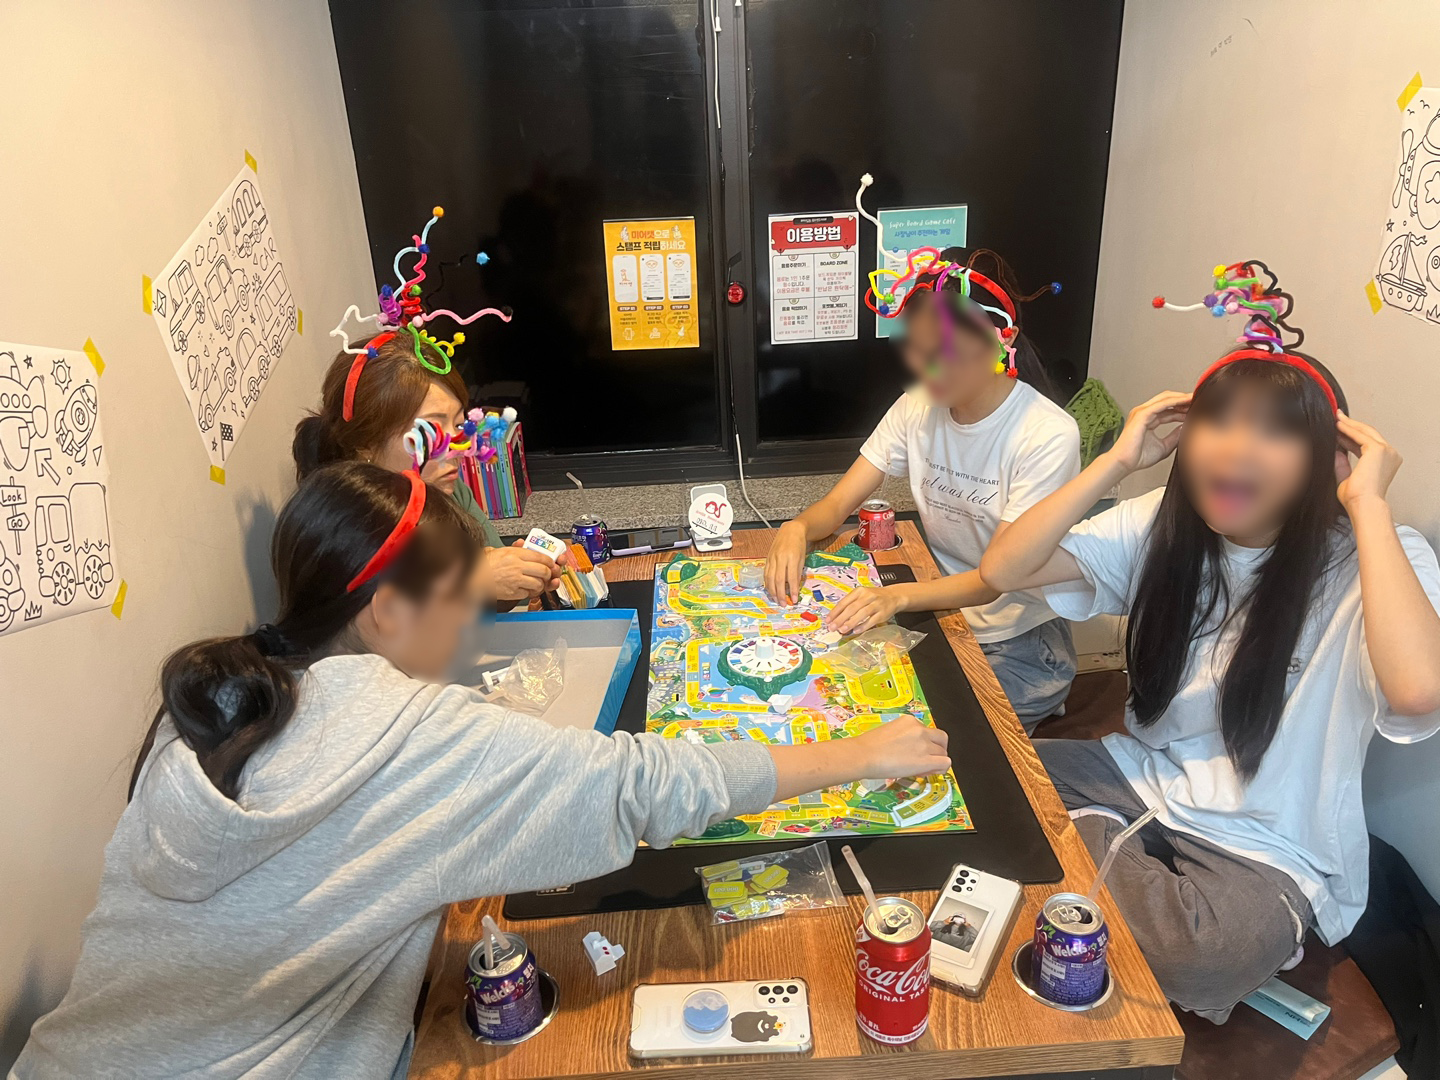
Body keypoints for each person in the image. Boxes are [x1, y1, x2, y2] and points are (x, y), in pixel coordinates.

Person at [14, 462, 949, 1079]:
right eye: (463, 601)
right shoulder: (406, 733)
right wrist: (859, 753)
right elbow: (647, 785)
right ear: (385, 612)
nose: (474, 627)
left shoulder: (216, 704)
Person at [979, 298, 1440, 1020]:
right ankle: (1099, 853)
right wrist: (1117, 459)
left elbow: (1417, 692)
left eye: (1277, 432)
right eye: (1218, 422)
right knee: (981, 780)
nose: (1237, 449)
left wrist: (1369, 504)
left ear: (1330, 456)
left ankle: (1085, 847)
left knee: (1205, 958)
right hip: (1143, 775)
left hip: (1269, 843)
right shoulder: (1165, 523)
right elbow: (1005, 568)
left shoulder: (1380, 553)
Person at [765, 248, 1082, 727]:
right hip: (939, 612)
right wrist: (797, 527)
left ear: (1003, 340)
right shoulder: (917, 406)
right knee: (837, 704)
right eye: (916, 349)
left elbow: (994, 579)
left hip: (1018, 644)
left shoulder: (1047, 434)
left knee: (925, 742)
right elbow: (838, 503)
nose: (926, 370)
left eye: (945, 354)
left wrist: (899, 597)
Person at [294, 332, 556, 604]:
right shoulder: (341, 529)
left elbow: (491, 599)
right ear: (366, 444)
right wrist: (473, 579)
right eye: (432, 431)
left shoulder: (448, 490)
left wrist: (520, 576)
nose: (457, 448)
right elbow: (377, 618)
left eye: (458, 425)